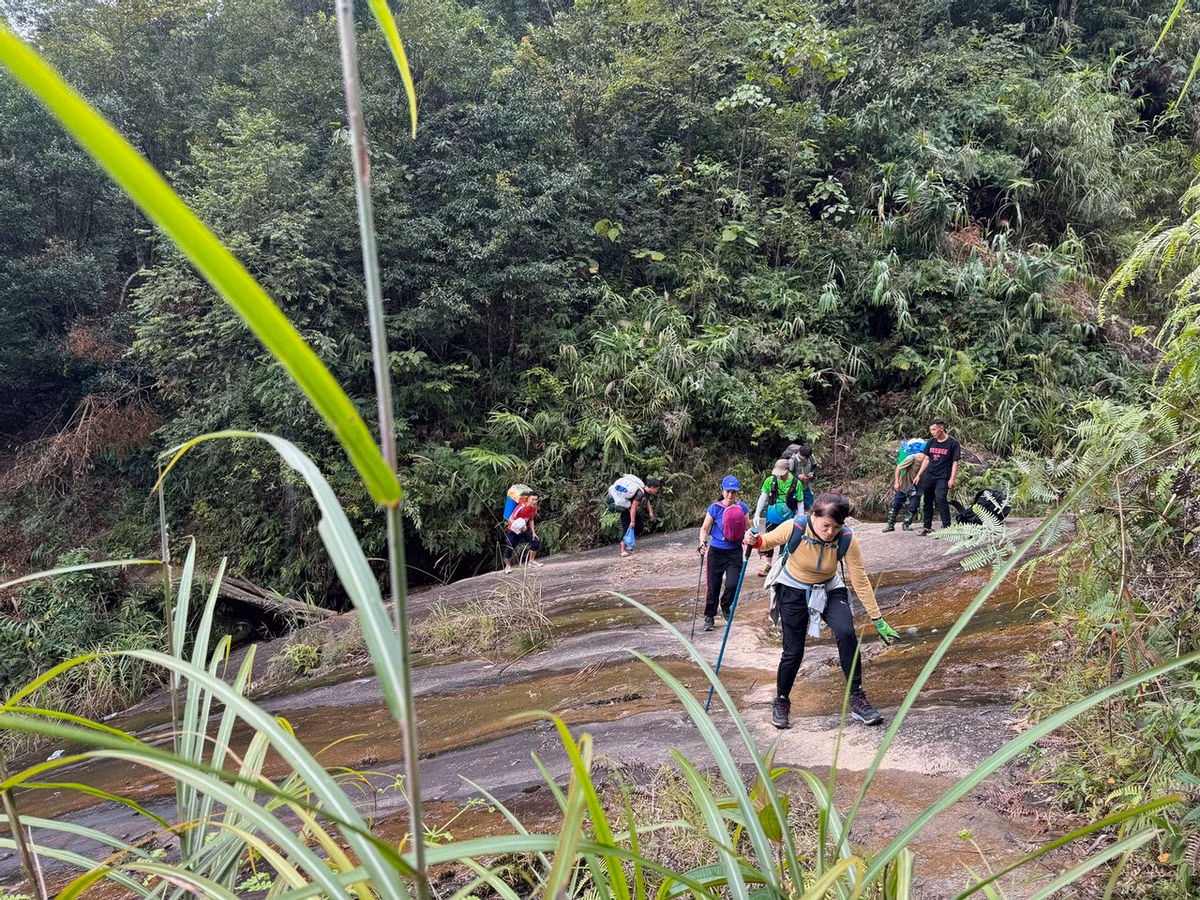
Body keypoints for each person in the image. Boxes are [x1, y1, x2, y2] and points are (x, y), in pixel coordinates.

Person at [746, 492, 900, 729]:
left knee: (846, 633)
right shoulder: (795, 526)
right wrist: (753, 540)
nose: (830, 532)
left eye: (836, 527)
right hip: (793, 588)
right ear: (813, 515)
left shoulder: (847, 538)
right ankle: (782, 700)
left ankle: (857, 698)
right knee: (793, 651)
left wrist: (877, 618)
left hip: (829, 588)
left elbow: (859, 579)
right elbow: (765, 542)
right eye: (826, 525)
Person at [698, 475, 751, 632]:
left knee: (733, 584)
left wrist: (753, 538)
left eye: (733, 492)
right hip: (716, 552)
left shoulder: (743, 508)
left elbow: (747, 528)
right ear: (722, 490)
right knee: (713, 586)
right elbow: (704, 529)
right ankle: (709, 616)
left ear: (737, 492)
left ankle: (725, 604)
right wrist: (702, 542)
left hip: (734, 551)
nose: (730, 495)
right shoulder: (714, 508)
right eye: (728, 491)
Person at [914, 418, 962, 536]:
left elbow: (955, 462)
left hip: (943, 476)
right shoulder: (931, 442)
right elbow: (926, 458)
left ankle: (947, 527)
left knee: (941, 499)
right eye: (931, 430)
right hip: (930, 475)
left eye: (934, 429)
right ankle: (927, 527)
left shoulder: (953, 443)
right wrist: (919, 474)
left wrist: (952, 478)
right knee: (927, 501)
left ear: (941, 428)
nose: (932, 432)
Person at [754, 458, 801, 576]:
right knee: (769, 539)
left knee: (785, 541)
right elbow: (763, 497)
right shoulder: (770, 481)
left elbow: (800, 502)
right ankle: (768, 564)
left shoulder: (796, 483)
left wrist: (801, 518)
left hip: (788, 517)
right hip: (772, 516)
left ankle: (781, 564)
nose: (779, 476)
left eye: (782, 473)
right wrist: (757, 514)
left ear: (788, 470)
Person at [608, 475, 662, 557]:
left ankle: (628, 543)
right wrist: (632, 521)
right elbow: (633, 507)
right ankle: (623, 549)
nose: (657, 491)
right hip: (627, 513)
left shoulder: (645, 492)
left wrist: (650, 513)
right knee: (627, 529)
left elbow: (647, 502)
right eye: (657, 489)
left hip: (635, 513)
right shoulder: (639, 493)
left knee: (639, 528)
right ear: (652, 487)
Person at [883, 439, 925, 532]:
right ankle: (890, 525)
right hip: (904, 484)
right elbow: (898, 468)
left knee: (914, 506)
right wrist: (897, 482)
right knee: (896, 504)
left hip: (917, 487)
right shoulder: (912, 458)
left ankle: (906, 525)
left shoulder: (928, 462)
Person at [503, 492, 543, 573]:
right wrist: (518, 525)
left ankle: (531, 562)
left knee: (535, 541)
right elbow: (511, 519)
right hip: (513, 530)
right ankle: (507, 566)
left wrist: (533, 532)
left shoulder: (534, 508)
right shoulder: (520, 507)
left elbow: (531, 519)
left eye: (536, 500)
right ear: (528, 499)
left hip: (524, 530)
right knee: (509, 547)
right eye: (533, 500)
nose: (534, 501)